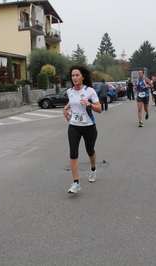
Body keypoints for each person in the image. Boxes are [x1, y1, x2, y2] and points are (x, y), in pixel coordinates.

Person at [62, 65, 101, 193]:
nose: (74, 78)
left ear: (82, 77)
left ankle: (93, 168)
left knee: (90, 151)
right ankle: (76, 183)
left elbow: (99, 109)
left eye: (77, 75)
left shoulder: (90, 91)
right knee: (73, 153)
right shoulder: (70, 91)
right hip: (74, 126)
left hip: (89, 126)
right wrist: (65, 109)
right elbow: (72, 101)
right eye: (73, 75)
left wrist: (89, 104)